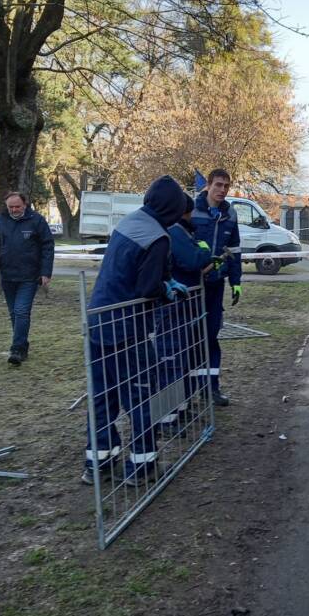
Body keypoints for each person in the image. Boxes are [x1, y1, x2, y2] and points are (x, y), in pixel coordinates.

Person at [81, 175, 190, 486]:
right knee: (141, 395)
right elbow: (146, 286)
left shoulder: (130, 222)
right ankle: (142, 464)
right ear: (172, 210)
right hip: (127, 329)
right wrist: (165, 290)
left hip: (99, 319)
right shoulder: (158, 237)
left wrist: (164, 277)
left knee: (103, 394)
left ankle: (98, 461)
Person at [156, 194, 214, 435]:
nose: (194, 219)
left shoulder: (182, 232)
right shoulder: (177, 232)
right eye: (191, 214)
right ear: (184, 213)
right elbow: (192, 260)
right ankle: (166, 418)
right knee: (170, 361)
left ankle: (179, 409)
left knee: (181, 360)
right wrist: (205, 251)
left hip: (183, 307)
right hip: (173, 308)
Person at [0, 192, 54, 366]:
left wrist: (46, 273)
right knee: (15, 313)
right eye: (10, 207)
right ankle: (23, 344)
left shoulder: (37, 221)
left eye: (17, 206)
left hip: (29, 276)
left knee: (21, 311)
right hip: (7, 276)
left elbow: (47, 247)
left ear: (25, 204)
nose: (14, 210)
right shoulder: (0, 222)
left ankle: (17, 350)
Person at [190, 169, 242, 407]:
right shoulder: (192, 209)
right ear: (208, 185)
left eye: (226, 186)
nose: (222, 190)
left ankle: (212, 388)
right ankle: (188, 393)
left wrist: (236, 282)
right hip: (192, 286)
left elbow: (235, 250)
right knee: (190, 339)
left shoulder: (230, 214)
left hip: (215, 286)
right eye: (218, 185)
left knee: (211, 336)